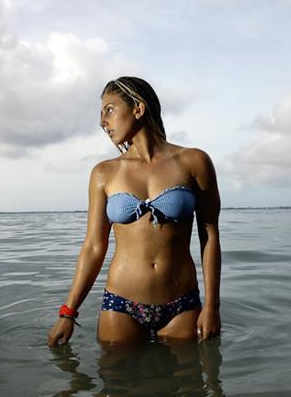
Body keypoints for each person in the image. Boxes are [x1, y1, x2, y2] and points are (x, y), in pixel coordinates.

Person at [47, 76, 221, 345]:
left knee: (189, 384)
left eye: (109, 110)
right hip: (120, 305)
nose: (102, 121)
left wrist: (212, 306)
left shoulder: (194, 161)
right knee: (119, 384)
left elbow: (209, 237)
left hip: (182, 305)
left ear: (138, 109)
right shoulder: (104, 173)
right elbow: (94, 247)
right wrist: (68, 313)